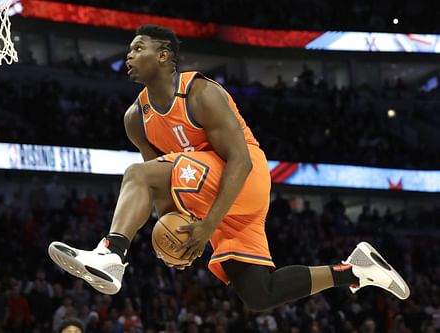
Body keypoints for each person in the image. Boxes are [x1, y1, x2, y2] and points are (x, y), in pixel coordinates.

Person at [48, 24, 410, 311]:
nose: (129, 54)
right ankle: (353, 271)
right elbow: (160, 190)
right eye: (129, 49)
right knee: (259, 293)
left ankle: (112, 253)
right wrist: (175, 238)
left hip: (244, 177)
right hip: (215, 199)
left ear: (164, 57)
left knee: (135, 175)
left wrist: (207, 225)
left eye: (138, 48)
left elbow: (239, 159)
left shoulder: (200, 93)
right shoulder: (135, 119)